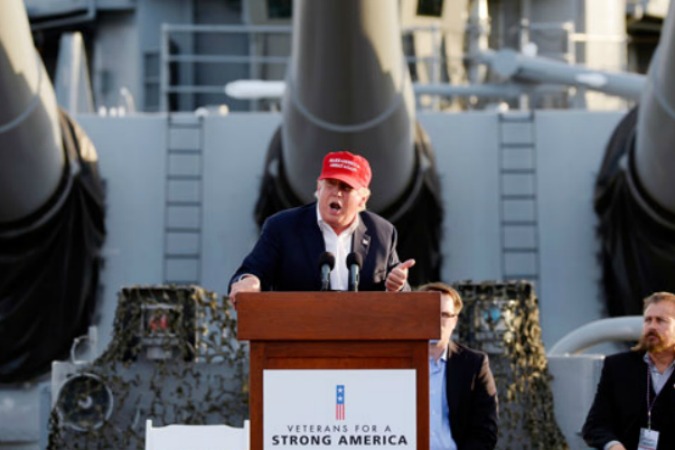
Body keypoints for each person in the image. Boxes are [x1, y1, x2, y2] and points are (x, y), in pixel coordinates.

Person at [228, 150, 415, 306]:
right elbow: (251, 272)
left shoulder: (382, 232)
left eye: (346, 187)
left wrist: (397, 286)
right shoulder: (282, 227)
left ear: (363, 199)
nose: (336, 192)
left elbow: (403, 296)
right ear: (319, 188)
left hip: (364, 342)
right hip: (297, 339)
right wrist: (248, 281)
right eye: (330, 184)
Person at [582, 292, 675, 450]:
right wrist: (613, 446)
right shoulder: (617, 367)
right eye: (648, 320)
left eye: (660, 320)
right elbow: (595, 426)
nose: (652, 326)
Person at [418, 282, 498, 450]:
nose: (436, 320)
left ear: (454, 321)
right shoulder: (398, 363)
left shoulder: (474, 365)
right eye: (428, 312)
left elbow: (485, 431)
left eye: (444, 315)